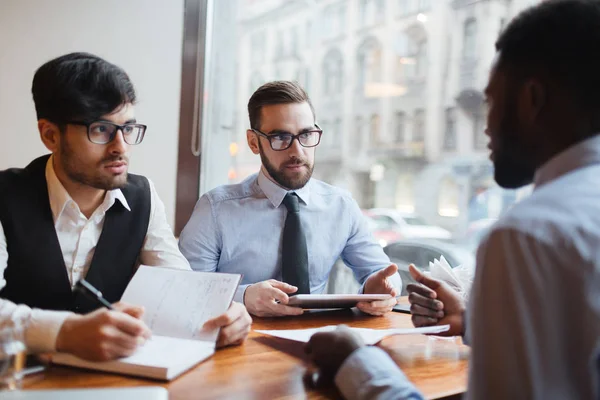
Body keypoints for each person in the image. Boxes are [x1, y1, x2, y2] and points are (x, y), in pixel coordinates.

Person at [305, 0, 600, 398]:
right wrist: (474, 320)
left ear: (532, 99)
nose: (486, 128)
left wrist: (355, 365)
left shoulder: (529, 235)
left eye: (492, 102)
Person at [0, 52, 251, 362]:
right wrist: (66, 332)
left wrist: (220, 313)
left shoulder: (142, 196)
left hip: (115, 382)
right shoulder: (6, 196)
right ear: (51, 135)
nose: (120, 146)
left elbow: (179, 287)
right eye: (101, 130)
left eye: (128, 129)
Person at [179, 81, 401, 317]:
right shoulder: (215, 209)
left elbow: (382, 271)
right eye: (280, 137)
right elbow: (184, 288)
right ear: (254, 142)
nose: (297, 151)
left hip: (315, 339)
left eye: (306, 135)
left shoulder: (341, 206)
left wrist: (381, 288)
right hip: (240, 339)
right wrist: (243, 296)